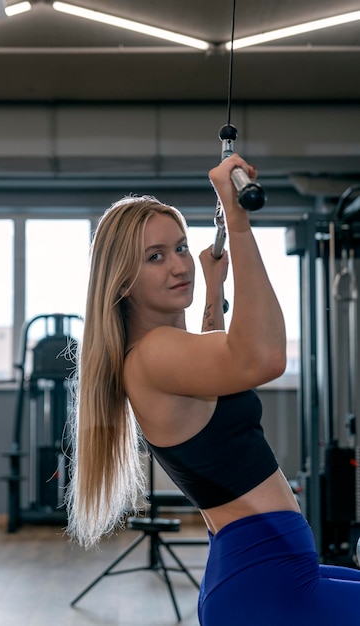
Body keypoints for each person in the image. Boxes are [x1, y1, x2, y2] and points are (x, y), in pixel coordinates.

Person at [66, 154, 360, 625]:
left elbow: (213, 368)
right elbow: (261, 358)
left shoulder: (157, 355)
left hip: (271, 574)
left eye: (180, 247)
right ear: (121, 280)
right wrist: (239, 225)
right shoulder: (153, 355)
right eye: (155, 257)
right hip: (267, 586)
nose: (179, 264)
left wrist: (214, 288)